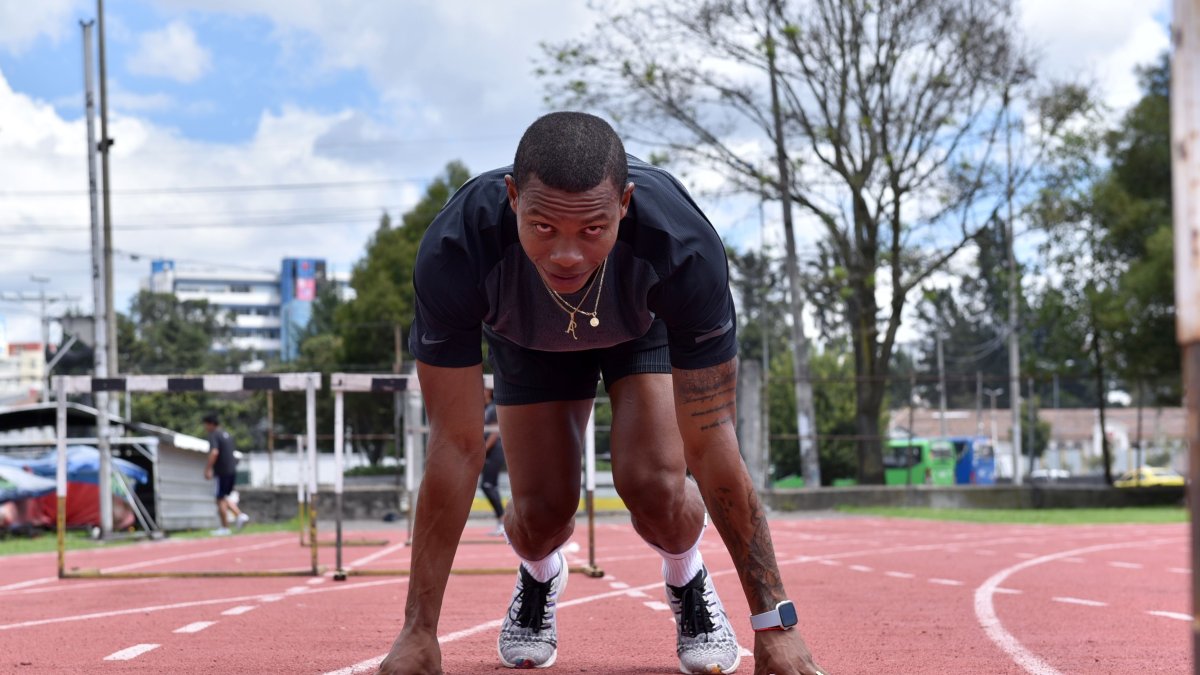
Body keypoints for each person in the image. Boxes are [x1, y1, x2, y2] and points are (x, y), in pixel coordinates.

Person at [377, 112, 825, 675]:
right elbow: (457, 445)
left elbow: (713, 442)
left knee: (655, 488)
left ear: (625, 204)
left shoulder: (683, 247)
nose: (567, 255)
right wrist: (418, 631)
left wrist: (776, 625)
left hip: (639, 330)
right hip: (526, 338)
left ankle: (686, 577)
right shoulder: (457, 248)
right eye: (543, 227)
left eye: (592, 229)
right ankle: (540, 576)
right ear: (512, 198)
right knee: (541, 518)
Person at [202, 413, 249, 535]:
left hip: (222, 471)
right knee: (224, 497)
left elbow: (214, 452)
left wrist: (208, 468)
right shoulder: (227, 435)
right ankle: (240, 515)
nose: (205, 427)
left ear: (211, 424)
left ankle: (225, 527)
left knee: (219, 499)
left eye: (206, 425)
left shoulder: (214, 435)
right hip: (231, 470)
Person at [480, 387, 507, 536]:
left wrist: (482, 451)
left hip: (495, 451)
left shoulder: (494, 408)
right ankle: (502, 521)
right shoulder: (482, 408)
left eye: (484, 389)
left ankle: (503, 520)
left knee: (487, 485)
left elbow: (494, 433)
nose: (481, 391)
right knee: (489, 485)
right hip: (488, 452)